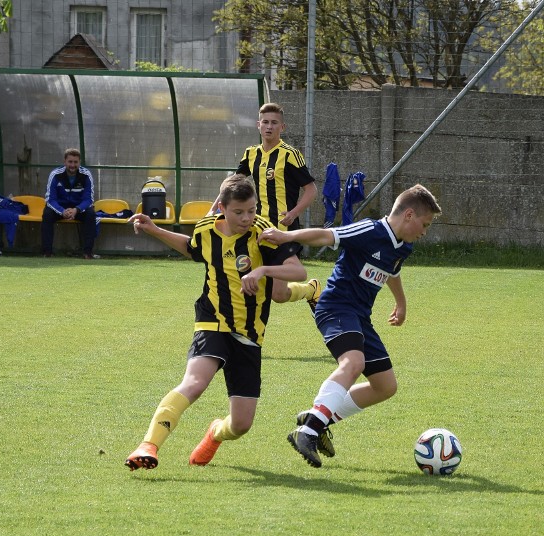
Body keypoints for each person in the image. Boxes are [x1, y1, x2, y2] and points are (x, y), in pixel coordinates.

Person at [125, 174, 306, 471]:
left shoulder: (264, 233)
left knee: (241, 424)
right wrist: (154, 229)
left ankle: (215, 433)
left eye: (251, 210)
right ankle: (148, 444)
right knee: (194, 383)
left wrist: (261, 273)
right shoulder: (207, 229)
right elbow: (193, 249)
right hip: (212, 320)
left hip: (249, 332)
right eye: (239, 212)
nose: (247, 217)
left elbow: (297, 271)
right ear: (222, 207)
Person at [259, 184, 442, 468]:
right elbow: (325, 235)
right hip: (336, 307)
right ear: (408, 215)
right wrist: (285, 236)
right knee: (353, 363)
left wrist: (401, 303)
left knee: (385, 386)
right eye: (425, 223)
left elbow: (392, 270)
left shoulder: (404, 245)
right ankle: (307, 432)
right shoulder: (369, 231)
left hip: (360, 317)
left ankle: (316, 418)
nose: (425, 231)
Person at [213, 102, 321, 310]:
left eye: (274, 123)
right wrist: (215, 205)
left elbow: (311, 190)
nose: (269, 127)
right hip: (256, 228)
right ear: (258, 125)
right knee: (244, 277)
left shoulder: (290, 154)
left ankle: (310, 290)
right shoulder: (251, 153)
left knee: (279, 295)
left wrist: (293, 213)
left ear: (282, 127)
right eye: (265, 122)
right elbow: (233, 183)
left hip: (282, 229)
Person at [41, 148, 97, 259]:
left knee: (91, 214)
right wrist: (62, 211)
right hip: (60, 208)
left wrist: (76, 209)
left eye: (75, 162)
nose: (72, 165)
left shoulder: (86, 175)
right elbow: (50, 199)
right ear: (64, 162)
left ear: (79, 162)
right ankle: (47, 252)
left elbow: (88, 199)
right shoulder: (55, 175)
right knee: (47, 213)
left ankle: (87, 253)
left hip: (78, 208)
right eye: (70, 162)